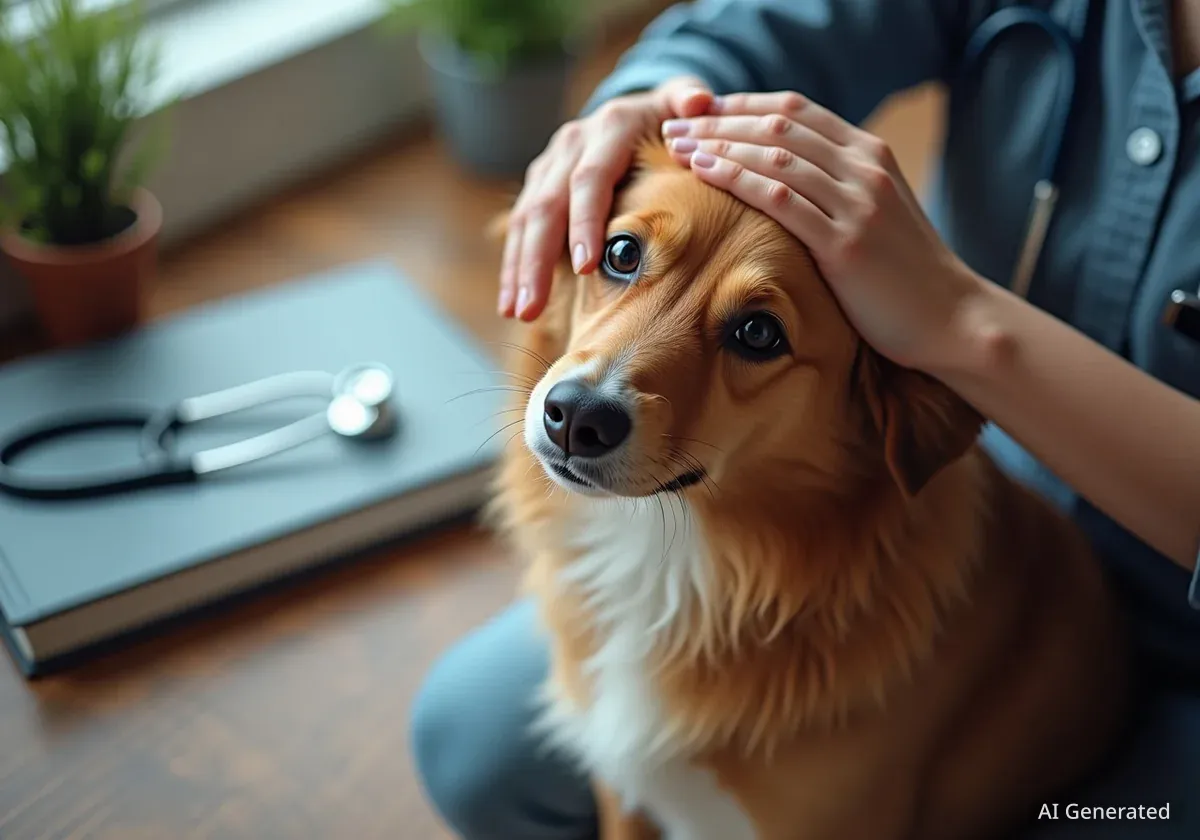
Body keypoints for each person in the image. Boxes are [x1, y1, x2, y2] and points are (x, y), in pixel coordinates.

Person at [413, 0, 1200, 837]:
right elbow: (764, 23)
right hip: (984, 473)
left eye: (756, 334)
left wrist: (961, 323)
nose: (594, 393)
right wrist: (646, 105)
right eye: (624, 256)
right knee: (469, 744)